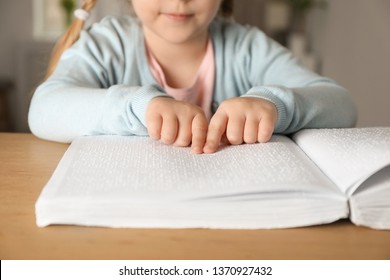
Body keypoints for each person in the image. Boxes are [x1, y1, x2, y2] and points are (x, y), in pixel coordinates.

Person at [28, 0, 357, 154]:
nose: (179, 0)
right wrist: (139, 107)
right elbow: (43, 108)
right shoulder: (107, 44)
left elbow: (341, 105)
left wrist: (273, 104)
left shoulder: (247, 47)